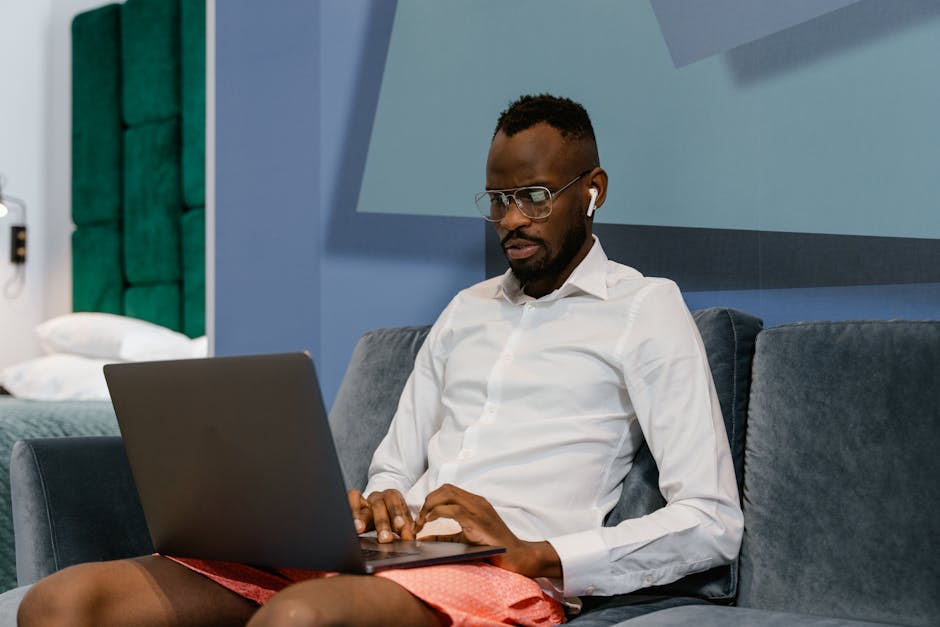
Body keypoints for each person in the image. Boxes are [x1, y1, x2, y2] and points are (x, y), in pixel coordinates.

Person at [18, 94, 742, 627]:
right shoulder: (465, 312)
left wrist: (541, 553)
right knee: (62, 603)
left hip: (501, 578)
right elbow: (395, 465)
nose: (512, 220)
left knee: (300, 619)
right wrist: (381, 501)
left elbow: (712, 519)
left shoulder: (644, 307)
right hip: (387, 561)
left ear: (593, 191)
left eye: (534, 196)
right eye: (497, 200)